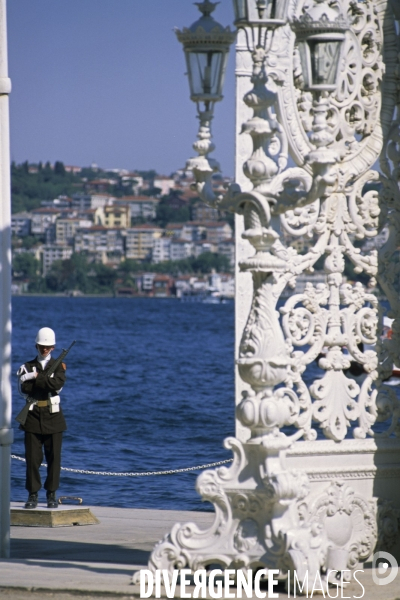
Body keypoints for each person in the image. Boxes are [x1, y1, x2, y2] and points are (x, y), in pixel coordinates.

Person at [17, 327, 67, 509]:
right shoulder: (27, 366)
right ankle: (32, 494)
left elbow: (57, 384)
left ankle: (51, 494)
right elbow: (25, 388)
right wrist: (41, 380)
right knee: (32, 459)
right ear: (36, 346)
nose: (44, 349)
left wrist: (36, 378)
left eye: (47, 347)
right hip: (32, 415)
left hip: (53, 416)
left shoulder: (59, 366)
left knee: (54, 458)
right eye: (41, 346)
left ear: (53, 347)